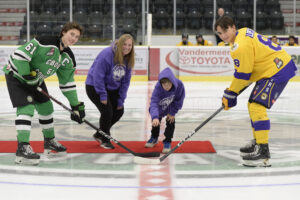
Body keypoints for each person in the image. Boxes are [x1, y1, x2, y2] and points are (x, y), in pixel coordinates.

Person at [214, 16, 297, 167]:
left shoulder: (239, 46)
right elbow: (248, 72)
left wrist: (230, 93)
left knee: (256, 106)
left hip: (277, 69)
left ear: (233, 27)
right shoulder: (243, 33)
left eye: (225, 30)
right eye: (220, 33)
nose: (223, 35)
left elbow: (243, 74)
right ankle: (259, 142)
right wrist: (232, 92)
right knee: (252, 103)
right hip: (272, 68)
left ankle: (263, 150)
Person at [2, 22, 86, 165]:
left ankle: (49, 141)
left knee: (46, 107)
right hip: (16, 74)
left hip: (35, 80)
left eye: (76, 37)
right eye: (72, 34)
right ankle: (22, 146)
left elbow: (67, 84)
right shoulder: (45, 42)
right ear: (63, 32)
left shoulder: (67, 57)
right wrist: (26, 74)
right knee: (26, 108)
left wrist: (75, 106)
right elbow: (20, 54)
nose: (73, 38)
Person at [85, 34, 135, 149]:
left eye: (129, 45)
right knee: (107, 111)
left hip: (112, 88)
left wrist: (121, 100)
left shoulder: (128, 58)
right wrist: (102, 95)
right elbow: (98, 76)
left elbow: (125, 82)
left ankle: (100, 133)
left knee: (119, 111)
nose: (127, 47)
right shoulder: (107, 54)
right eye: (124, 44)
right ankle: (105, 138)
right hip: (94, 86)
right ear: (120, 43)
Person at [145, 67, 185, 153]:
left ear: (172, 81)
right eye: (163, 84)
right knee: (155, 122)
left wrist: (172, 112)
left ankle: (167, 141)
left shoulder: (179, 85)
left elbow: (179, 100)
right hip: (160, 107)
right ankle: (154, 137)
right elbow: (154, 102)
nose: (166, 86)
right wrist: (155, 117)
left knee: (171, 121)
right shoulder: (158, 87)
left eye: (168, 84)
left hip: (171, 106)